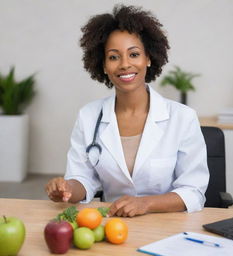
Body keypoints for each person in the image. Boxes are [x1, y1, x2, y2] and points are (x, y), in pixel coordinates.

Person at [45, 4, 209, 217]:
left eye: (133, 54)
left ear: (148, 58)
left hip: (167, 225)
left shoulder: (183, 118)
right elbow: (82, 179)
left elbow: (193, 191)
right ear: (103, 65)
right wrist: (67, 189)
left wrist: (146, 204)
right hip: (113, 223)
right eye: (113, 57)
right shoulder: (89, 116)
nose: (124, 64)